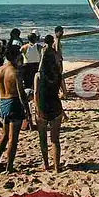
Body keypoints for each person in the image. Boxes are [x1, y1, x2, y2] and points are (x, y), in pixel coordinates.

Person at [0, 45, 29, 173]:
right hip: (14, 102)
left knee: (5, 135)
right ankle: (9, 166)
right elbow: (21, 94)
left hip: (3, 101)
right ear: (15, 56)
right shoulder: (15, 72)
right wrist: (27, 111)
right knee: (13, 137)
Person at [34, 37, 64, 172]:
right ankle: (57, 167)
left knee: (43, 139)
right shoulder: (58, 74)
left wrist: (36, 107)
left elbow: (35, 93)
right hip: (55, 106)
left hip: (42, 108)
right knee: (55, 140)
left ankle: (46, 165)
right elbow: (65, 93)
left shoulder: (38, 76)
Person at [54, 26, 68, 98]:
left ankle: (63, 92)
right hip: (58, 61)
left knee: (59, 76)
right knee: (59, 76)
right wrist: (59, 60)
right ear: (56, 32)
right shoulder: (57, 40)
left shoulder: (57, 40)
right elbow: (56, 51)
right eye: (61, 32)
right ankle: (63, 92)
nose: (62, 33)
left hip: (58, 60)